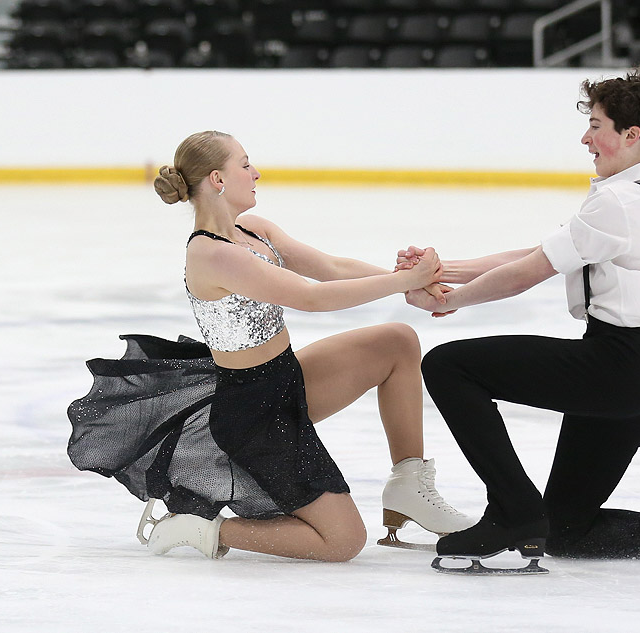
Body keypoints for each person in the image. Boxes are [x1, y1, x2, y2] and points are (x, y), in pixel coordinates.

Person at [399, 66, 640, 571]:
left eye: (597, 124)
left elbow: (527, 273)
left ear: (631, 135)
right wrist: (443, 268)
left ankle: (514, 510)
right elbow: (543, 251)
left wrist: (450, 300)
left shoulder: (619, 201)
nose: (586, 137)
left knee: (450, 366)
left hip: (613, 366)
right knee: (567, 530)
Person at [67, 130, 474, 563]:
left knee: (395, 342)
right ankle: (207, 528)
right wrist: (404, 281)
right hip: (254, 415)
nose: (256, 172)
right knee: (343, 542)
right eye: (245, 164)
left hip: (286, 377)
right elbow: (310, 298)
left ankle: (409, 482)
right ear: (218, 179)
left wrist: (415, 286)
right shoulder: (210, 253)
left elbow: (330, 269)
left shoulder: (251, 230)